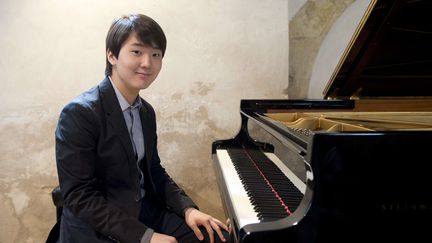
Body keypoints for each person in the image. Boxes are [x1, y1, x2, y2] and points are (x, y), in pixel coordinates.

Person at [55, 14, 231, 243]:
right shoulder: (80, 113)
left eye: (156, 54)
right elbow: (80, 197)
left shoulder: (145, 112)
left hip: (143, 211)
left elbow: (154, 171)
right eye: (137, 52)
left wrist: (189, 210)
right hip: (97, 226)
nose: (147, 63)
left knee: (220, 237)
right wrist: (145, 237)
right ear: (112, 55)